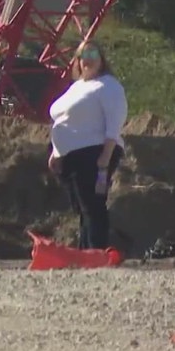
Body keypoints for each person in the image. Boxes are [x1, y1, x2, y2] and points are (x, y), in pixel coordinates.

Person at [47, 41, 127, 250]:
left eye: (93, 53)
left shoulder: (108, 85)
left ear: (102, 59)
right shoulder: (77, 87)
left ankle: (96, 249)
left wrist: (105, 156)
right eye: (83, 55)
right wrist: (56, 152)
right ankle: (85, 250)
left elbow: (115, 120)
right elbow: (63, 119)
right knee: (81, 207)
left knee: (92, 205)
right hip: (71, 155)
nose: (87, 59)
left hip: (95, 151)